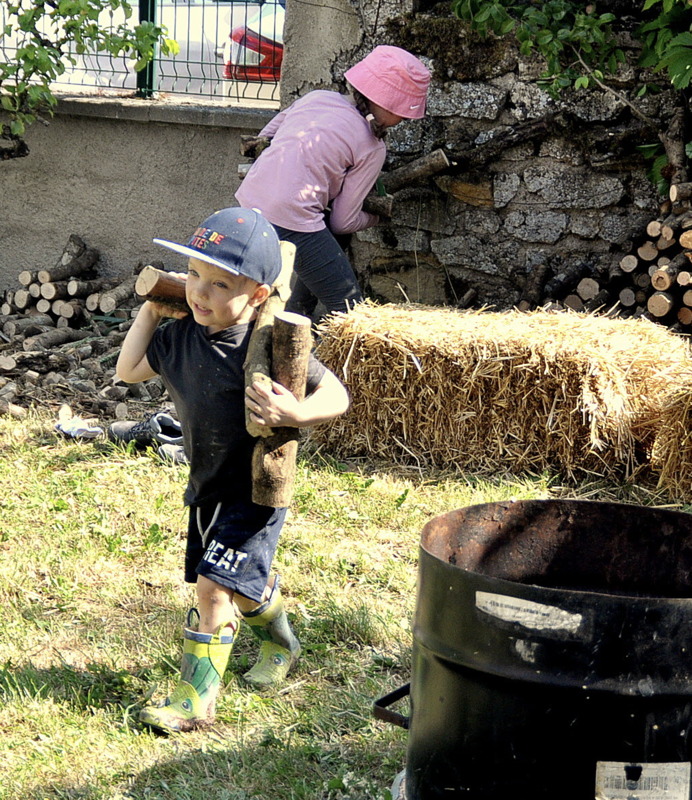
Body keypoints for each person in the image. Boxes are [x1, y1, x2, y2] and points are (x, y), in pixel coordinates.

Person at [115, 207, 350, 734]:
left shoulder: (267, 346)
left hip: (255, 491)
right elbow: (128, 371)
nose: (200, 292)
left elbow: (337, 393)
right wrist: (153, 308)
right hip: (206, 485)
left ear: (259, 294)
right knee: (240, 588)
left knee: (212, 590)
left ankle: (193, 702)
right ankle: (280, 637)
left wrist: (296, 413)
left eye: (221, 283)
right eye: (195, 274)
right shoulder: (179, 338)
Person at [235, 45, 431, 319]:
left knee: (249, 299)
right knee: (350, 310)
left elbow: (265, 138)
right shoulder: (372, 146)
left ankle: (296, 323)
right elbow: (344, 221)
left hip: (248, 203)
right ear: (387, 102)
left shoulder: (317, 97)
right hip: (293, 220)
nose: (405, 119)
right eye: (403, 111)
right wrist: (376, 218)